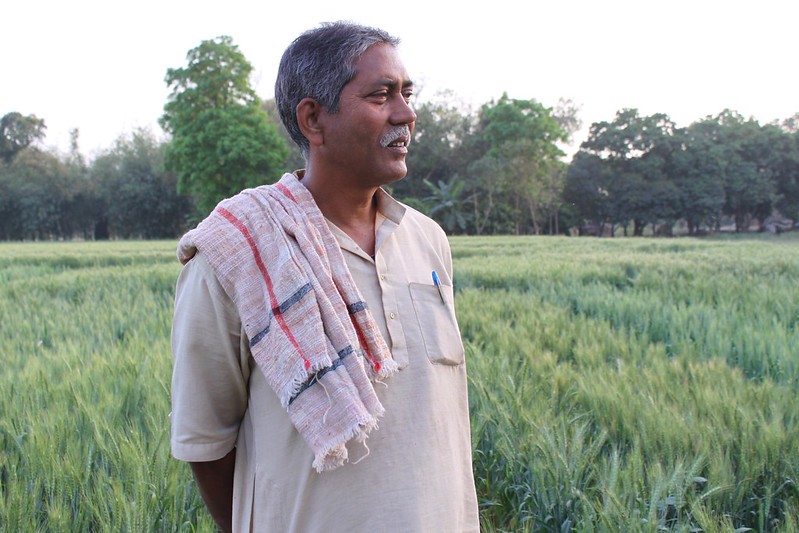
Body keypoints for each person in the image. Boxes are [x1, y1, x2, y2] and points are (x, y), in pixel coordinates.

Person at [170, 21, 479, 532]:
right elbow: (206, 442)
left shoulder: (427, 240)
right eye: (381, 95)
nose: (406, 113)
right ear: (313, 119)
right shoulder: (233, 258)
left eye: (406, 93)